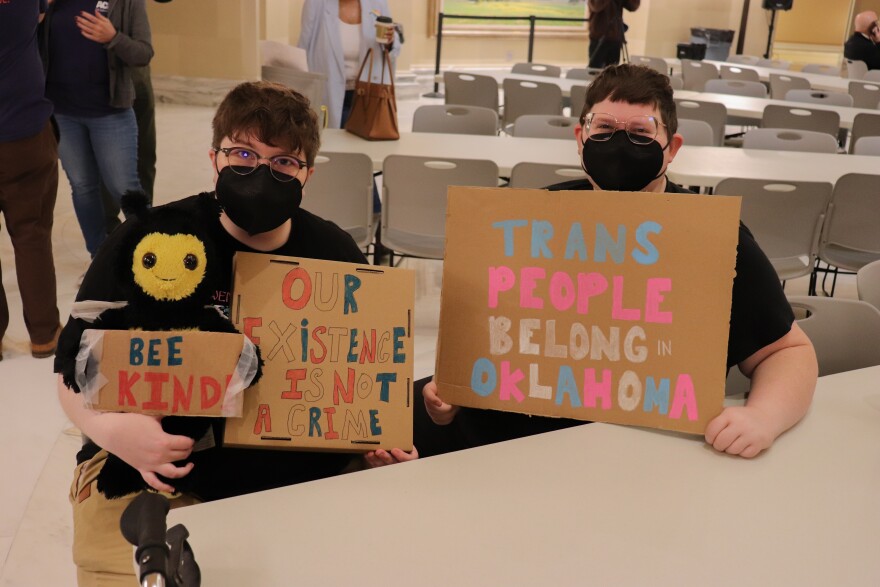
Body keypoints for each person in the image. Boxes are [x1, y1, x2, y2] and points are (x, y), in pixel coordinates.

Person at [55, 81, 416, 586]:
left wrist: (377, 439)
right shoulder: (152, 239)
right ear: (214, 157)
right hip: (160, 479)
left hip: (298, 486)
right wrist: (111, 432)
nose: (260, 173)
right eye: (243, 153)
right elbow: (71, 367)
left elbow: (367, 378)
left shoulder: (335, 254)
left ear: (307, 173)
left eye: (283, 163)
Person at [421, 64, 818, 460]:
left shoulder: (715, 239)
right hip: (511, 450)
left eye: (642, 132)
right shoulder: (529, 222)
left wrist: (763, 416)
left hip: (639, 456)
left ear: (672, 147)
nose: (620, 145)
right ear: (581, 138)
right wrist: (451, 392)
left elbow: (787, 352)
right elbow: (480, 341)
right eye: (604, 130)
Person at [40, 0, 153, 258]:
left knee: (125, 188)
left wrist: (113, 37)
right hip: (62, 113)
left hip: (110, 113)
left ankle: (151, 257)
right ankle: (99, 259)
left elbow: (144, 53)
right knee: (82, 186)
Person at [0, 0, 62, 360]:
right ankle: (44, 334)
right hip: (23, 133)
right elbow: (40, 15)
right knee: (31, 234)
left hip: (22, 128)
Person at [298, 0, 400, 130]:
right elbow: (304, 46)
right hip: (328, 91)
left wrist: (391, 41)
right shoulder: (316, 4)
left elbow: (391, 46)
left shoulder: (378, 3)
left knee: (363, 146)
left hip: (367, 93)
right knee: (330, 143)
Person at [588, 0, 640, 69]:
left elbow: (633, 6)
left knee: (613, 73)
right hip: (598, 37)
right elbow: (596, 7)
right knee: (594, 70)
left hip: (615, 38)